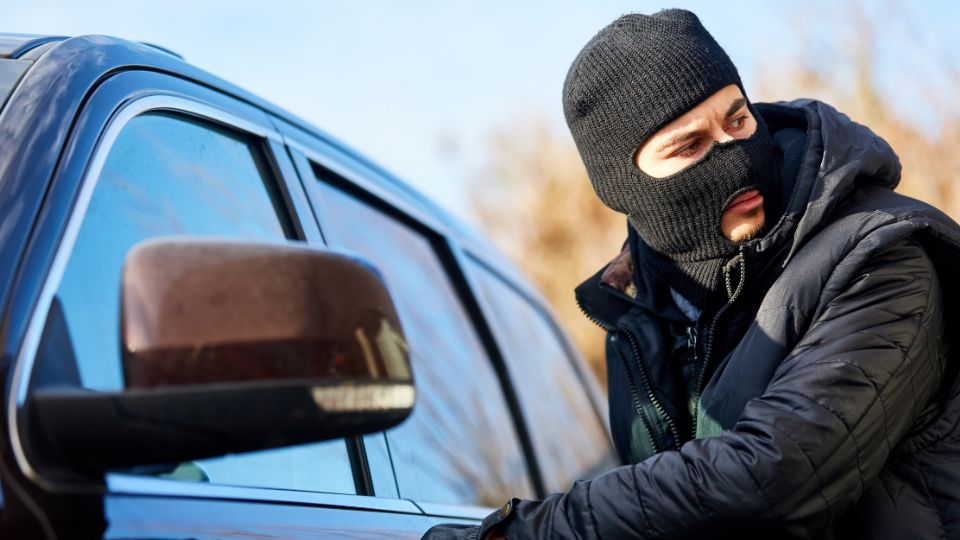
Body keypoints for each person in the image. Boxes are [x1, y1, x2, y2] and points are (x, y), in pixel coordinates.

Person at [424, 8, 960, 539]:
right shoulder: (643, 317)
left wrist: (519, 533)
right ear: (624, 188)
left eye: (737, 120)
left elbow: (776, 476)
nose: (736, 157)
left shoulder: (884, 257)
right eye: (689, 145)